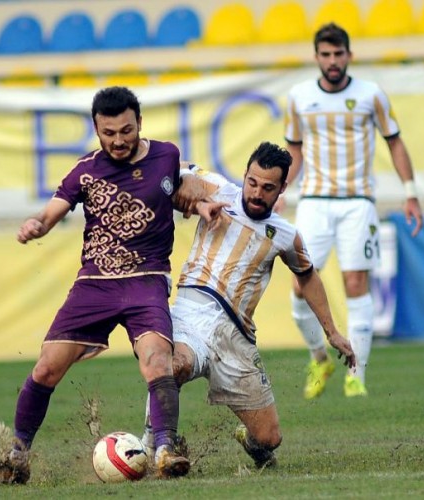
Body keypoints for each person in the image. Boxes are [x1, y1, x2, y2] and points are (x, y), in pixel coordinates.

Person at [9, 86, 219, 482]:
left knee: (157, 359)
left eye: (126, 131)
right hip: (95, 284)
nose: (118, 141)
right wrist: (37, 224)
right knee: (46, 368)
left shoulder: (166, 155)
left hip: (146, 281)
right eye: (108, 133)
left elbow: (176, 189)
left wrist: (200, 201)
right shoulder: (85, 170)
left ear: (139, 123)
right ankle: (17, 454)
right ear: (96, 129)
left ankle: (166, 449)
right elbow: (52, 212)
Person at [141, 141, 355, 470]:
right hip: (192, 311)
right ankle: (155, 446)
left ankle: (248, 439)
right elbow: (164, 167)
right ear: (244, 175)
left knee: (269, 438)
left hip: (236, 337)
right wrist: (180, 180)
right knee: (175, 365)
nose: (256, 193)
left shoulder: (286, 235)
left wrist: (332, 332)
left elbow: (308, 277)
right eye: (252, 182)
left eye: (267, 188)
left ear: (282, 188)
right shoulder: (217, 189)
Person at [283, 23, 423, 399]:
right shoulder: (298, 97)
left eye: (338, 54)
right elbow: (294, 149)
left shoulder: (370, 94)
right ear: (316, 57)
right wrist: (281, 189)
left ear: (349, 55)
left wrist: (410, 193)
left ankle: (356, 374)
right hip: (313, 201)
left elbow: (395, 142)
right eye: (326, 55)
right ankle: (320, 357)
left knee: (356, 284)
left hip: (358, 202)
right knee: (299, 286)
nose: (332, 61)